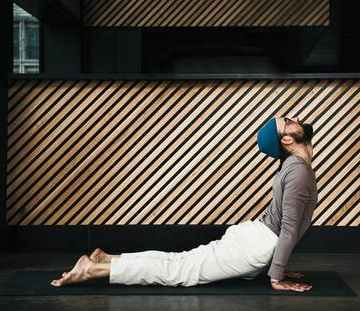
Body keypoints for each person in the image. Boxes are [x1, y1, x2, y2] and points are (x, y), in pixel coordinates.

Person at [51, 117, 317, 292]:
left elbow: (287, 223)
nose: (295, 120)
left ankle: (107, 259)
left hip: (256, 240)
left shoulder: (293, 167)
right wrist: (277, 275)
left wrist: (277, 264)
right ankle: (94, 268)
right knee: (177, 270)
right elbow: (290, 227)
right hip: (256, 245)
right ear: (287, 140)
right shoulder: (299, 170)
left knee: (178, 261)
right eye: (289, 122)